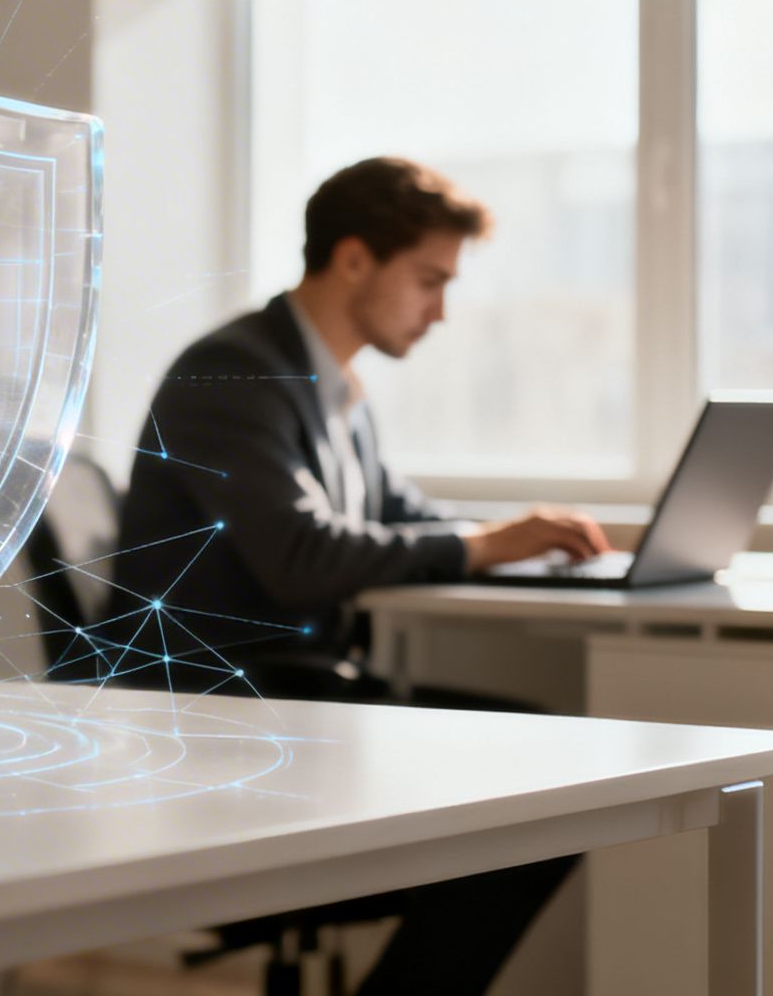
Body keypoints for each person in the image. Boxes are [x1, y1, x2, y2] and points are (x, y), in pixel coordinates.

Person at [107, 156, 597, 995]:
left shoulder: (337, 390)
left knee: (559, 778)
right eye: (428, 281)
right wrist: (483, 546)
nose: (441, 311)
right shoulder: (232, 374)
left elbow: (395, 514)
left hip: (301, 693)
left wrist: (520, 537)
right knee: (543, 790)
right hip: (223, 713)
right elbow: (302, 557)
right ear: (356, 259)